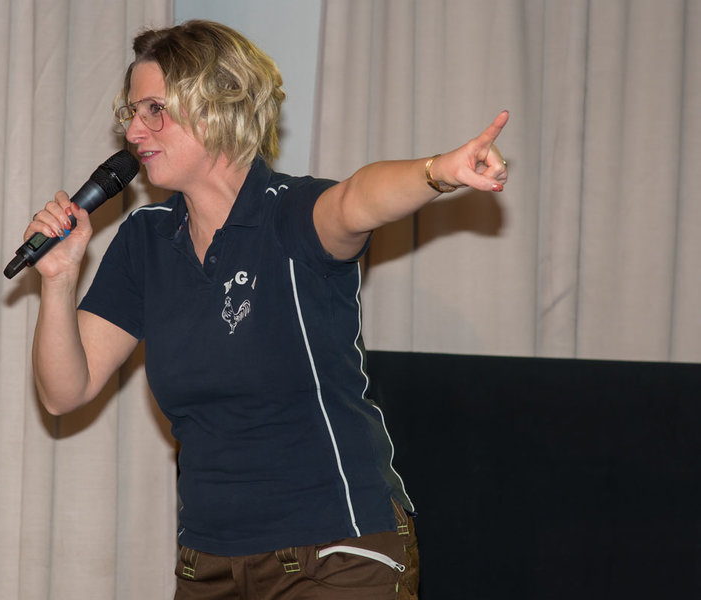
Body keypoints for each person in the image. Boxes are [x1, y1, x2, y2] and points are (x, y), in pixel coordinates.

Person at [25, 20, 508, 600]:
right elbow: (64, 392)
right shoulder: (144, 240)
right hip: (208, 562)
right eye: (130, 112)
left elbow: (359, 197)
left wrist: (438, 172)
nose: (132, 131)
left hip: (335, 554)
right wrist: (59, 280)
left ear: (218, 106)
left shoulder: (290, 213)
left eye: (155, 110)